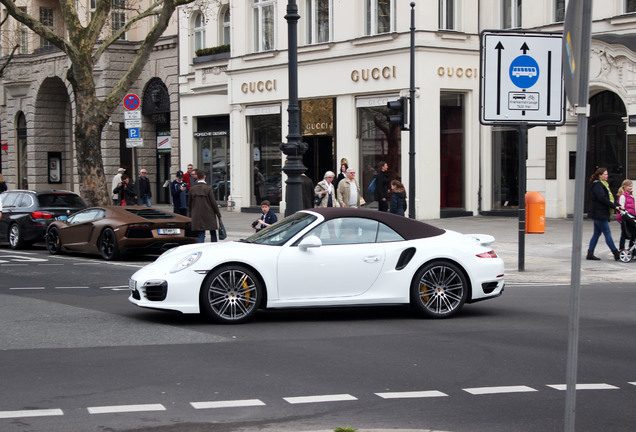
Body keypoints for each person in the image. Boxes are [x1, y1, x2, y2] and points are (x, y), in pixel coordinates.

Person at [586, 167, 622, 261]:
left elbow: (609, 198)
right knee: (607, 233)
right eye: (605, 174)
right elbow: (602, 199)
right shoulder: (598, 185)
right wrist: (614, 207)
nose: (607, 176)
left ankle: (590, 253)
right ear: (600, 175)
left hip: (599, 212)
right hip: (599, 212)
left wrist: (618, 205)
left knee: (596, 234)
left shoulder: (603, 184)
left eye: (607, 174)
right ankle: (615, 253)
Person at [188, 168, 222, 243]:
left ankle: (201, 247)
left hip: (197, 214)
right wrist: (218, 214)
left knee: (201, 233)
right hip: (209, 213)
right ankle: (214, 246)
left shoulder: (192, 188)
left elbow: (189, 203)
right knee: (212, 232)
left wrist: (190, 214)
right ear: (204, 176)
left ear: (197, 177)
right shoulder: (208, 188)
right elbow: (213, 203)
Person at [616, 179, 635, 251]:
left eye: (631, 186)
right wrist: (625, 214)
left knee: (633, 232)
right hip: (624, 218)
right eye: (629, 186)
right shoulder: (623, 196)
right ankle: (622, 248)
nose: (631, 188)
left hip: (630, 217)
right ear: (625, 186)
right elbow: (621, 207)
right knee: (624, 233)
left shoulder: (630, 195)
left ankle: (631, 247)